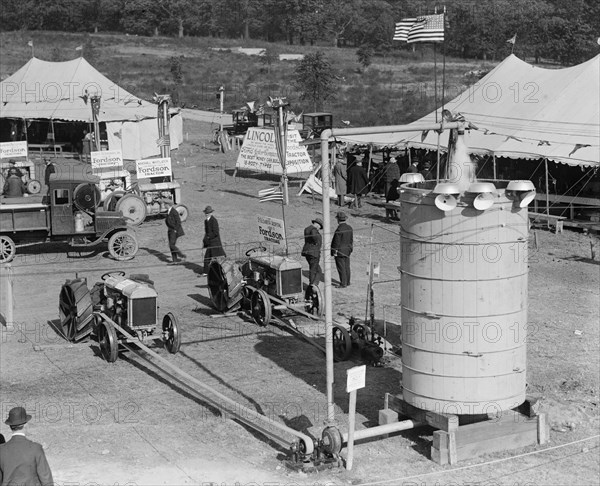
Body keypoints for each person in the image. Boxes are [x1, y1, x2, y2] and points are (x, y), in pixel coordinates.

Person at [0, 406, 54, 485]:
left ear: (10, 426)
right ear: (25, 425)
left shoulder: (1, 450)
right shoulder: (36, 448)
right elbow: (46, 479)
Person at [331, 211, 353, 288]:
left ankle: (343, 283)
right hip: (347, 250)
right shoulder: (349, 228)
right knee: (347, 266)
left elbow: (336, 242)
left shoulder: (339, 229)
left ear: (338, 219)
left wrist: (333, 251)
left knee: (341, 267)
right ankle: (347, 281)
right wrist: (350, 249)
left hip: (339, 251)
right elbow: (351, 240)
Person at [202, 205, 226, 274]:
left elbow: (216, 232)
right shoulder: (206, 221)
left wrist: (209, 237)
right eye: (206, 213)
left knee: (217, 258)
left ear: (211, 213)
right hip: (210, 242)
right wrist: (205, 240)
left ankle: (208, 271)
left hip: (215, 242)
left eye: (208, 213)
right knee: (208, 257)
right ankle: (206, 272)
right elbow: (206, 232)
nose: (206, 214)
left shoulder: (214, 221)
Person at [163, 198, 187, 263]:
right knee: (171, 245)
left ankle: (182, 255)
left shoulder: (174, 212)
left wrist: (175, 230)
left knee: (171, 245)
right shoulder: (168, 211)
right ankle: (175, 260)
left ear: (168, 205)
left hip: (174, 231)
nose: (164, 205)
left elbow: (178, 221)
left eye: (165, 204)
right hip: (170, 230)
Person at [301, 217, 323, 286]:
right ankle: (313, 284)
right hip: (314, 253)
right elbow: (314, 236)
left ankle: (313, 284)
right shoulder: (314, 230)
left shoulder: (307, 229)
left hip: (307, 252)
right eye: (320, 227)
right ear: (318, 225)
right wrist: (316, 242)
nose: (319, 229)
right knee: (316, 270)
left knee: (314, 269)